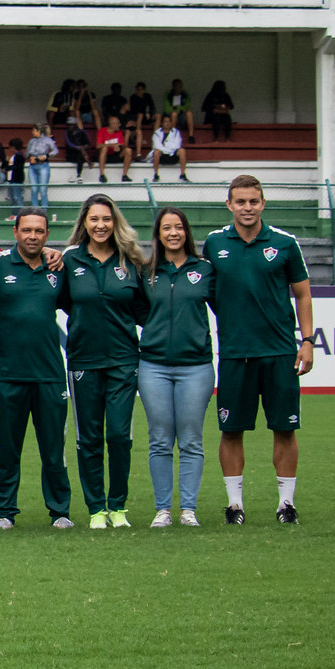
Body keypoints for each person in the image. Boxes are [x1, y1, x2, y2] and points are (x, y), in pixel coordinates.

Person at [206, 174, 312, 524]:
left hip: (279, 351)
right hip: (235, 353)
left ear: (263, 203)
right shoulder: (214, 243)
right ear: (229, 204)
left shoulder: (285, 243)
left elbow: (303, 294)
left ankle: (286, 504)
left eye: (253, 201)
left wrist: (307, 341)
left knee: (284, 428)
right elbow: (205, 290)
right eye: (240, 201)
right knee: (231, 430)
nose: (247, 207)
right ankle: (234, 505)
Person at [58, 193, 150, 528]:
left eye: (106, 219)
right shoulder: (70, 260)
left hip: (124, 361)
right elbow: (62, 300)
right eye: (94, 219)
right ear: (84, 222)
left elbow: (144, 312)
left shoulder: (131, 261)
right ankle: (96, 508)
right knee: (89, 438)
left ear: (115, 222)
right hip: (83, 360)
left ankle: (118, 506)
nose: (101, 225)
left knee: (120, 436)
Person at [0, 210, 73, 529]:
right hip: (7, 375)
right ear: (15, 232)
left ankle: (60, 511)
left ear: (47, 235)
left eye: (39, 231)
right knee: (7, 450)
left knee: (54, 450)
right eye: (27, 230)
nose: (33, 236)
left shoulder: (58, 268)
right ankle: (5, 512)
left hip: (50, 374)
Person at [141, 207, 215, 528]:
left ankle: (188, 509)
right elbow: (136, 310)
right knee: (159, 439)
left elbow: (226, 307)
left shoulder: (206, 269)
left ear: (187, 232)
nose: (173, 233)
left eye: (179, 227)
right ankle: (163, 510)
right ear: (158, 235)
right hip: (153, 366)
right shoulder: (146, 272)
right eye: (166, 228)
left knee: (191, 439)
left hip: (195, 367)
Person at [24, 124, 58, 208]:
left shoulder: (47, 140)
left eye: (34, 130)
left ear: (38, 131)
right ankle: (35, 209)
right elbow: (27, 153)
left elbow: (55, 150)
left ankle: (44, 210)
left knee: (43, 189)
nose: (32, 132)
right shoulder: (31, 141)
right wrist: (30, 157)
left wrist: (46, 156)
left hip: (43, 165)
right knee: (34, 189)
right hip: (32, 166)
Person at [149, 113, 188, 181]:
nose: (168, 123)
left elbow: (177, 145)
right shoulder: (157, 133)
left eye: (169, 121)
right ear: (162, 123)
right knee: (156, 152)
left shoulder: (176, 132)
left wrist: (166, 148)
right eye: (165, 122)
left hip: (172, 155)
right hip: (162, 156)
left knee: (182, 151)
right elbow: (157, 145)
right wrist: (168, 148)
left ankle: (182, 174)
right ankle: (156, 175)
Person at [95, 115, 130, 184]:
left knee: (128, 150)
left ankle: (125, 175)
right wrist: (111, 145)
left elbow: (122, 145)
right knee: (104, 148)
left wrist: (118, 147)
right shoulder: (102, 131)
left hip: (115, 155)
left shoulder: (119, 132)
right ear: (112, 124)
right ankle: (102, 175)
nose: (119, 125)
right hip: (105, 156)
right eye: (118, 123)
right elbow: (98, 146)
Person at [126, 82, 157, 155]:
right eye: (138, 89)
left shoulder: (147, 96)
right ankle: (137, 135)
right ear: (136, 90)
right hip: (136, 117)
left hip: (146, 117)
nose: (139, 91)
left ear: (144, 90)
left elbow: (152, 107)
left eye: (141, 89)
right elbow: (133, 110)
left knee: (158, 116)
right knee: (140, 115)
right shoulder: (133, 97)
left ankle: (155, 136)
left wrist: (150, 113)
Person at [164, 77, 196, 142]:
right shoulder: (168, 95)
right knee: (174, 114)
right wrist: (176, 110)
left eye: (181, 86)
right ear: (173, 86)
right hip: (171, 117)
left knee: (189, 113)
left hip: (182, 117)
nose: (179, 87)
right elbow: (167, 108)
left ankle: (191, 136)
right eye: (178, 86)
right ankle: (172, 135)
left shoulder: (185, 94)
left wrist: (179, 109)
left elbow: (187, 106)